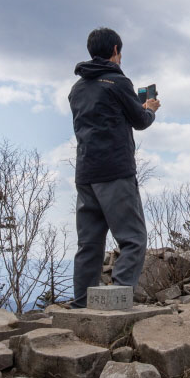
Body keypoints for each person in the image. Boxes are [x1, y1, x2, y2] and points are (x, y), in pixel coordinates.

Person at [67, 28, 160, 308]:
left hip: (85, 172)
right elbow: (140, 120)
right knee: (133, 238)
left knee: (89, 244)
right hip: (115, 171)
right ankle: (118, 301)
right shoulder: (118, 82)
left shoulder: (77, 89)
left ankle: (82, 303)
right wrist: (151, 108)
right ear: (116, 50)